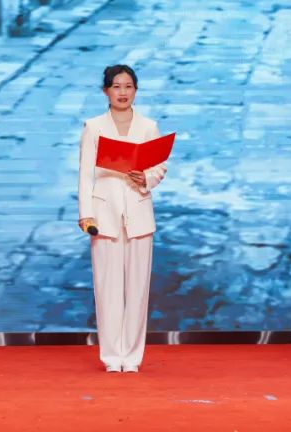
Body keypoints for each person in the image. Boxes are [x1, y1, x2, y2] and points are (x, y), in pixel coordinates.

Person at [77, 64, 167, 373]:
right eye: (116, 86)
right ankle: (112, 357)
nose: (123, 92)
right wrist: (86, 214)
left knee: (138, 290)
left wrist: (146, 178)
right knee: (108, 290)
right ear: (106, 91)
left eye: (128, 86)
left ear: (136, 90)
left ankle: (132, 357)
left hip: (138, 212)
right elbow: (85, 173)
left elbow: (159, 167)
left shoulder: (148, 126)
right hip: (104, 215)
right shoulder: (94, 127)